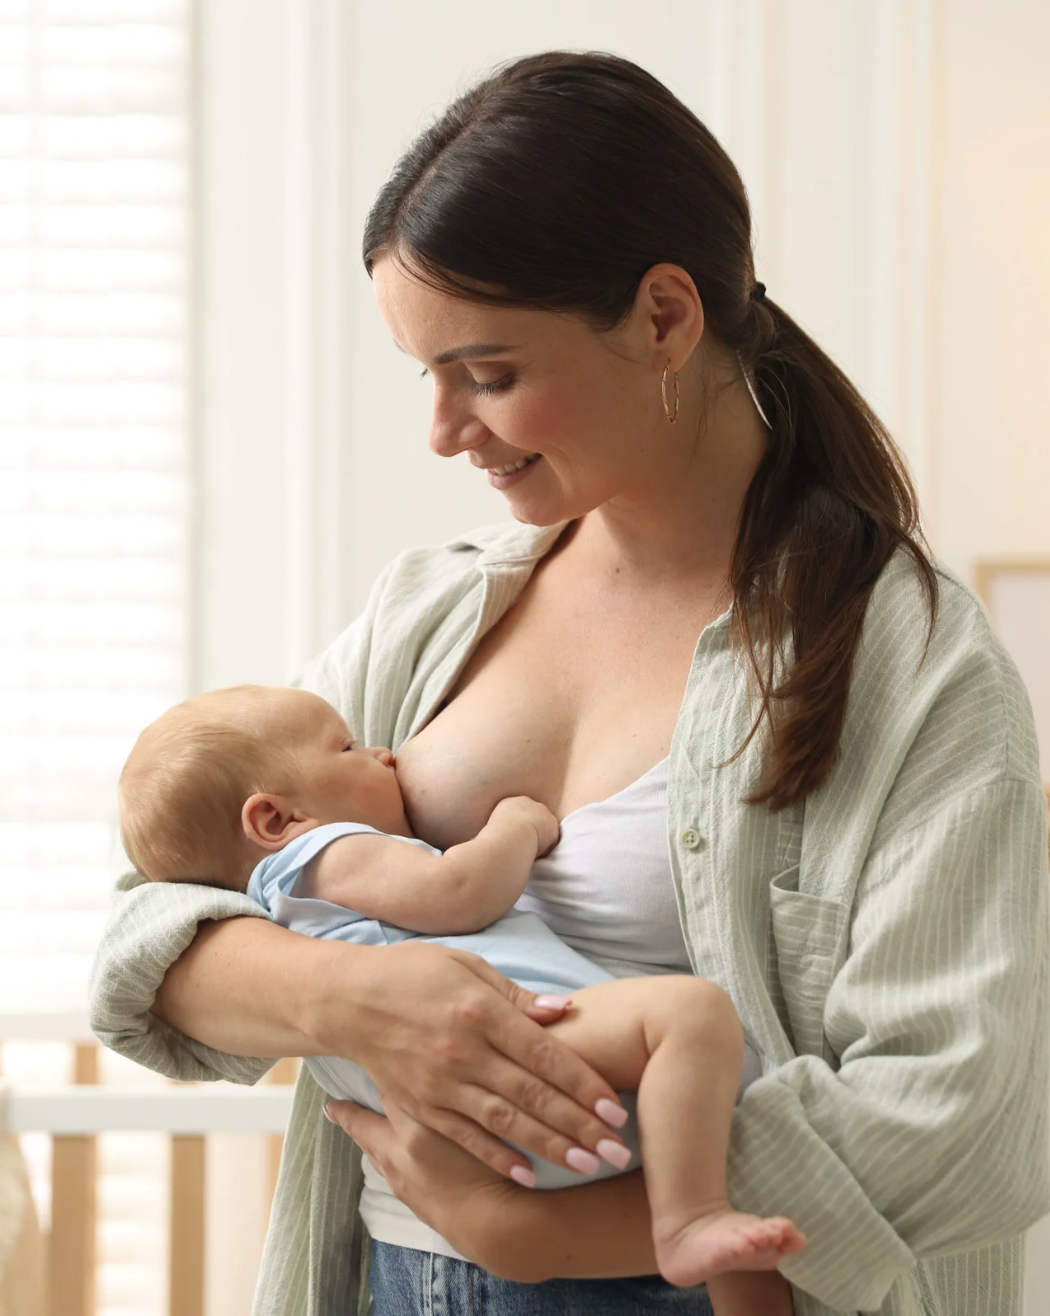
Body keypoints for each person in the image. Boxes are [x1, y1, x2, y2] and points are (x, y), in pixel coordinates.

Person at [89, 50, 1049, 1316]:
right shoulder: (430, 611)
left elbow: (965, 1113)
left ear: (664, 315)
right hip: (391, 1279)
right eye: (424, 375)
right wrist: (360, 998)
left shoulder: (902, 662)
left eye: (486, 372)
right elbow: (147, 923)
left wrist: (553, 1233)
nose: (443, 429)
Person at [117, 683, 805, 1309]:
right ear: (273, 819)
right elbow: (457, 893)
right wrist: (516, 827)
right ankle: (688, 1219)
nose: (385, 755)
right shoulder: (323, 853)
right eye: (349, 748)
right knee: (692, 1013)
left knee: (748, 1244)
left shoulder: (284, 912)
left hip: (481, 1145)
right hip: (535, 1064)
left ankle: (706, 1229)